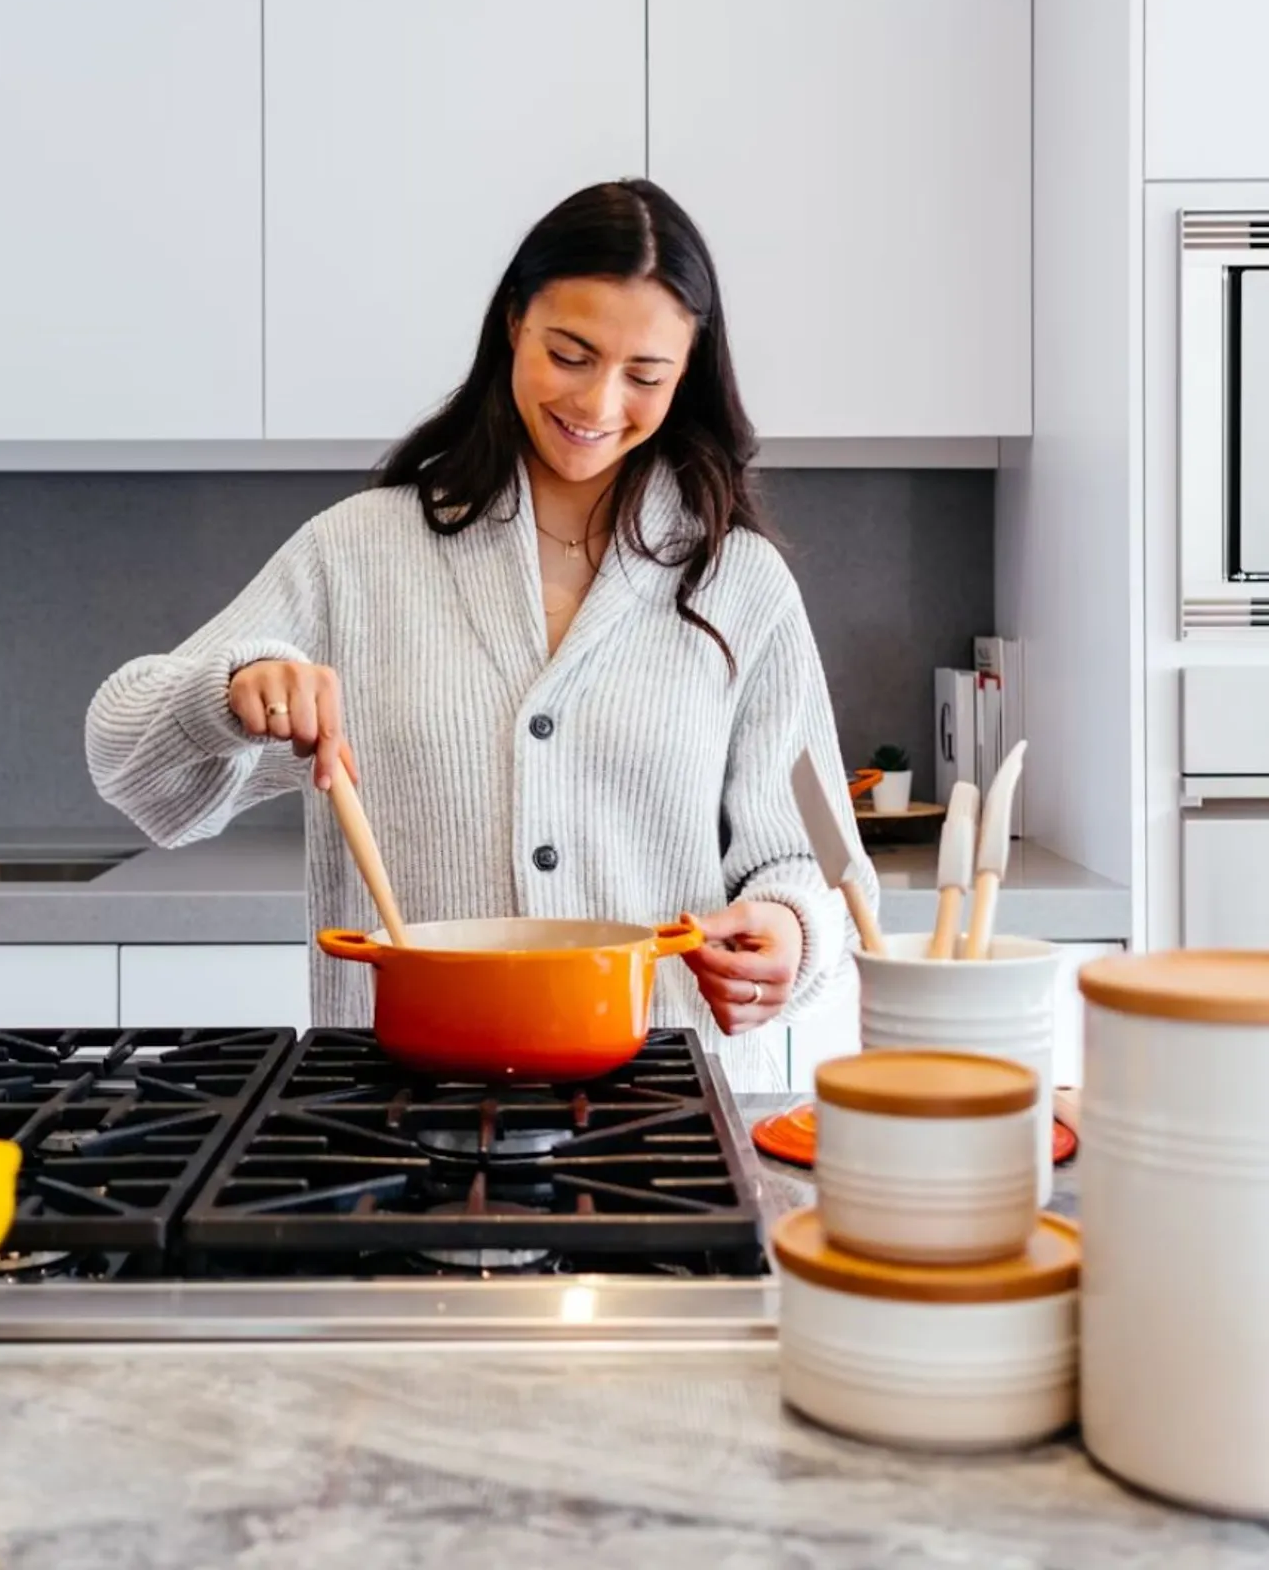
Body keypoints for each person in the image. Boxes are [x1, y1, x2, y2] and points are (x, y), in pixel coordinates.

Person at [86, 179, 876, 1087]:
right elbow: (128, 764)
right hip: (390, 1115)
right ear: (513, 325)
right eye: (570, 353)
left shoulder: (739, 582)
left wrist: (787, 930)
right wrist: (230, 692)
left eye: (645, 375)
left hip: (656, 1120)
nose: (600, 402)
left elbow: (813, 860)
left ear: (688, 371)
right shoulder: (361, 552)